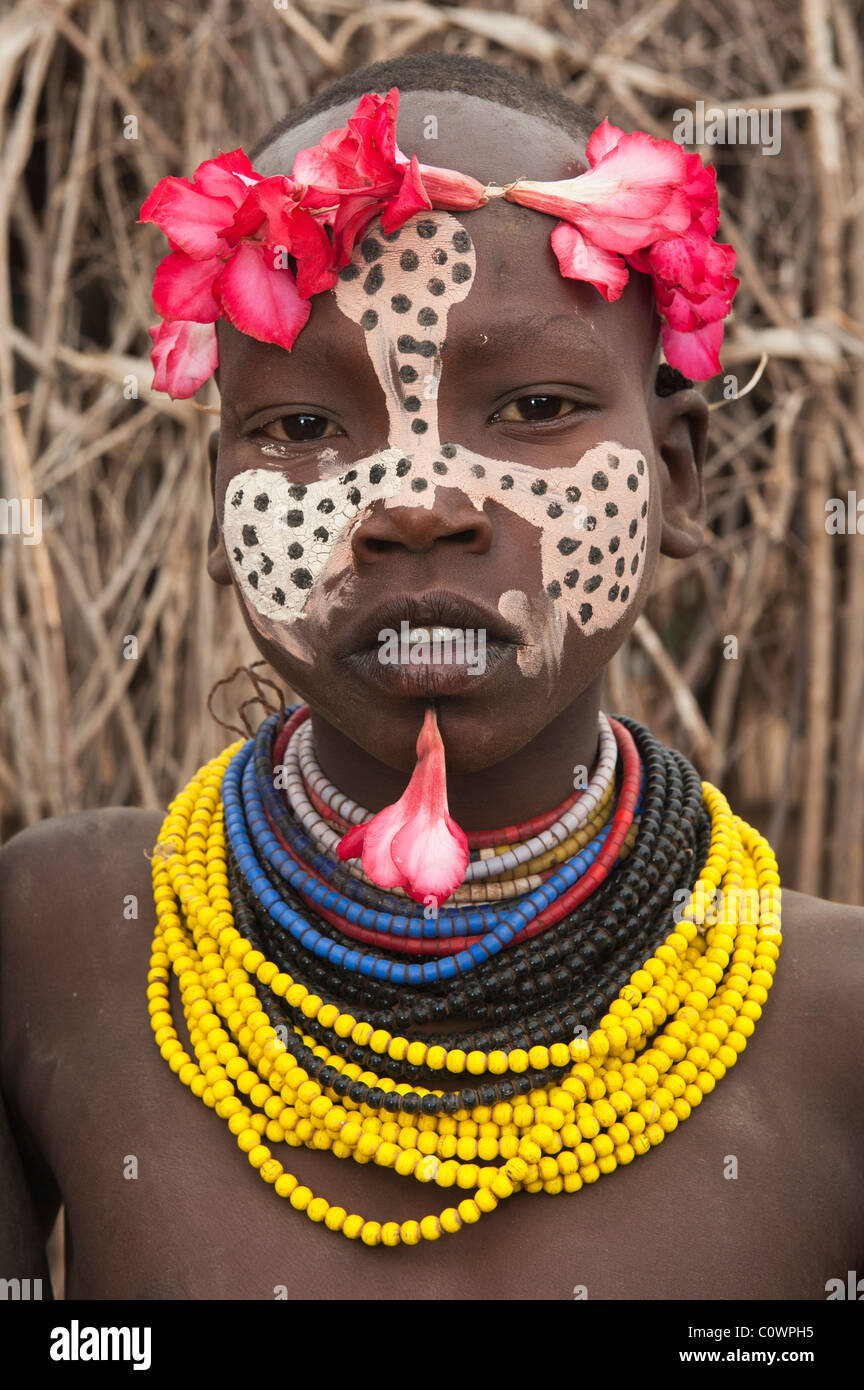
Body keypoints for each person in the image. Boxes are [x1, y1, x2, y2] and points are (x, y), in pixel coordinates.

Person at [1, 53, 861, 1302]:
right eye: (301, 427)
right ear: (216, 505)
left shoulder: (833, 1031)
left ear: (678, 477)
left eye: (536, 405)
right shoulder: (58, 951)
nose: (417, 505)